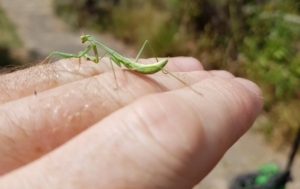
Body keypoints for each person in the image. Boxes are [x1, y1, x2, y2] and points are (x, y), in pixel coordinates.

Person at [0, 57, 263, 188]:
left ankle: (191, 87)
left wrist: (113, 83)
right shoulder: (96, 51)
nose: (83, 43)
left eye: (84, 41)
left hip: (142, 67)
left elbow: (115, 67)